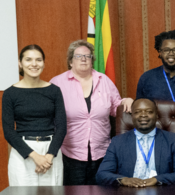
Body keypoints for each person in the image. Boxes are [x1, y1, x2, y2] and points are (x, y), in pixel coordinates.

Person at [50, 40, 134, 185]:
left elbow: (115, 107)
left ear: (92, 60)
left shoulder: (104, 81)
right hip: (70, 155)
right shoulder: (57, 83)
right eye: (78, 56)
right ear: (70, 62)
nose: (83, 59)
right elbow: (49, 116)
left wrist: (126, 101)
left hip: (102, 153)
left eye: (87, 56)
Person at [2, 45, 67, 186]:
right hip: (23, 153)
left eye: (38, 60)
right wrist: (35, 157)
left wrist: (49, 156)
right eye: (28, 59)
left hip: (51, 153)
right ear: (20, 63)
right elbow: (8, 131)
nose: (34, 64)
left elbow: (62, 127)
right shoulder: (9, 94)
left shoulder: (54, 91)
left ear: (43, 63)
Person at [95, 98, 175, 186]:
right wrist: (123, 180)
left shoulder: (173, 140)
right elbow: (102, 174)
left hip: (162, 194)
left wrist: (157, 180)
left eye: (149, 112)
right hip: (128, 194)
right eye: (137, 112)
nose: (143, 115)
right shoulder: (118, 142)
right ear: (132, 115)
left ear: (156, 115)